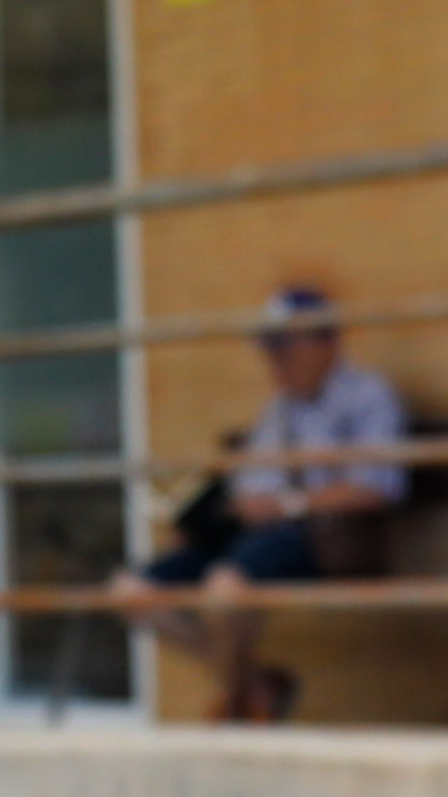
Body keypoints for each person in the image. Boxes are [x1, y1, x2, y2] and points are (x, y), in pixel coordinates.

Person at [129, 287, 407, 722]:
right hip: (254, 535)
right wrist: (205, 519)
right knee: (131, 592)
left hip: (316, 536)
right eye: (269, 347)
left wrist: (285, 504)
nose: (274, 359)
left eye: (284, 346)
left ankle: (238, 708)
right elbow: (250, 486)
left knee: (225, 591)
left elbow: (378, 487)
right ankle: (255, 688)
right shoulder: (278, 407)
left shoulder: (367, 396)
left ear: (325, 342)